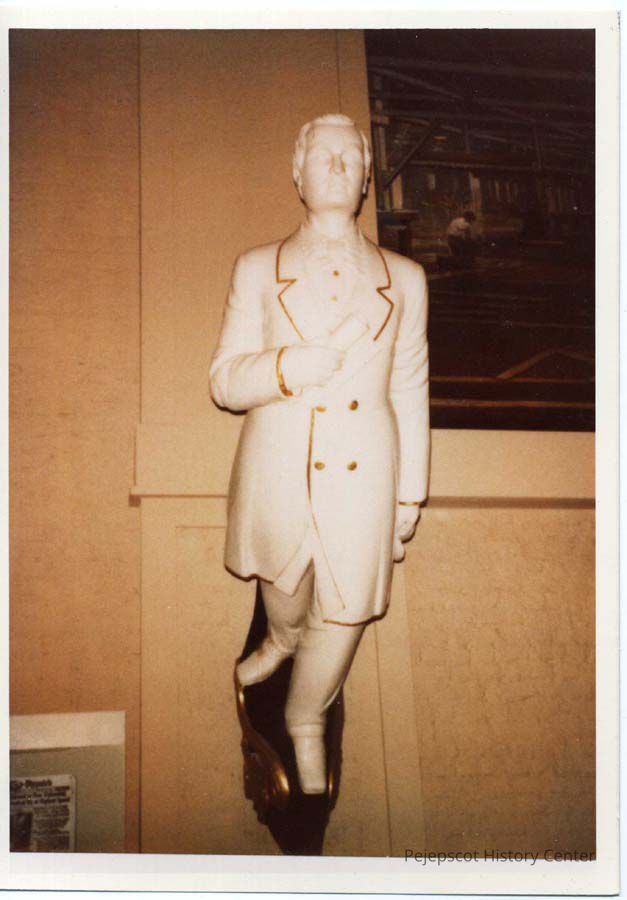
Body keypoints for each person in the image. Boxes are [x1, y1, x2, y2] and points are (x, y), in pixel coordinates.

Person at [209, 113, 430, 794]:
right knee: (284, 583)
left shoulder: (405, 278)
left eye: (349, 158)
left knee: (348, 606)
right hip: (278, 464)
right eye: (321, 156)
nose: (335, 166)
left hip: (367, 469)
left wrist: (411, 492)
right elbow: (223, 381)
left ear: (365, 179)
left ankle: (305, 718)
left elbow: (410, 385)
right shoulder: (257, 267)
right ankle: (280, 640)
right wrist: (285, 367)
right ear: (297, 174)